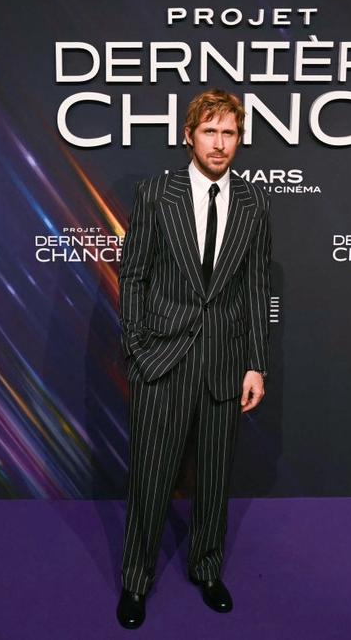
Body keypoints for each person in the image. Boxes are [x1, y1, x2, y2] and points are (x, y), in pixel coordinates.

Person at [115, 89, 271, 629]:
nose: (220, 143)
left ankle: (207, 568)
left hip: (225, 365)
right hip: (163, 360)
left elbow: (254, 288)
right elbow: (132, 275)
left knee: (214, 478)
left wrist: (256, 363)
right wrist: (137, 347)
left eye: (230, 132)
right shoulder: (156, 194)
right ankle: (135, 580)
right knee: (151, 478)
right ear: (189, 135)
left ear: (240, 139)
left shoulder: (253, 203)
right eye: (210, 131)